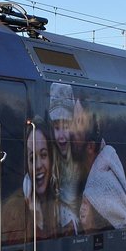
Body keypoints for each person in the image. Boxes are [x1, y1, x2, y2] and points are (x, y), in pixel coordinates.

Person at [47, 83, 82, 235]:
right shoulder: (48, 158)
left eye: (66, 127)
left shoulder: (80, 159)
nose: (61, 136)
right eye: (57, 128)